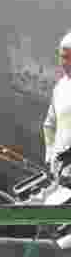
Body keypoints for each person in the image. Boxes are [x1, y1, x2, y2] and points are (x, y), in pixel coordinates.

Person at [43, 32, 71, 177]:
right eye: (63, 57)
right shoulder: (59, 89)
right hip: (62, 175)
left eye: (68, 57)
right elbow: (49, 125)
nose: (64, 62)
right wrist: (50, 153)